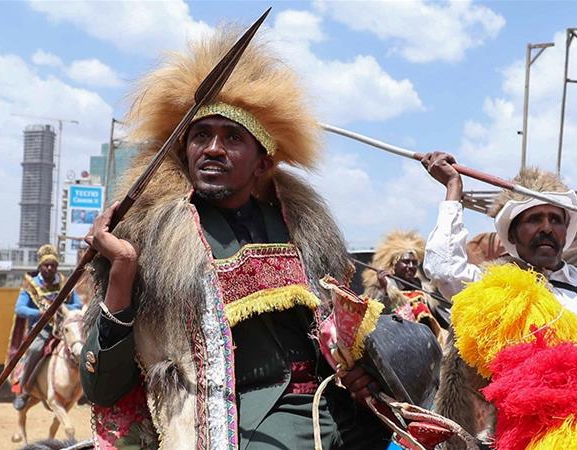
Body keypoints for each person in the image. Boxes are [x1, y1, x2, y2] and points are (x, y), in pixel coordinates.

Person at [79, 31, 390, 449]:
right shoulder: (151, 239)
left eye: (232, 137)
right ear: (183, 150)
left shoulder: (304, 232)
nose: (212, 148)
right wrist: (123, 267)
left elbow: (340, 342)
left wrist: (358, 370)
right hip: (240, 424)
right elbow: (102, 389)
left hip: (336, 413)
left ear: (263, 161)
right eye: (200, 135)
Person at [420, 152, 577, 446]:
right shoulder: (496, 288)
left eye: (555, 219)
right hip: (530, 437)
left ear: (565, 231)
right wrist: (454, 189)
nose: (546, 228)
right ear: (514, 235)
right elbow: (443, 269)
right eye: (534, 219)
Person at [11, 244, 82, 411]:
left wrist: (61, 309)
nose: (50, 268)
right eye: (46, 265)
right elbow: (19, 308)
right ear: (40, 267)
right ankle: (24, 390)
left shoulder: (65, 283)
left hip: (64, 328)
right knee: (35, 350)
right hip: (42, 330)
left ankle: (84, 389)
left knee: (82, 346)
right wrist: (41, 312)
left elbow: (77, 304)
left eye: (53, 265)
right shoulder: (30, 285)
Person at [361, 230, 446, 338]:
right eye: (406, 262)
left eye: (414, 263)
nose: (410, 266)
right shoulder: (380, 287)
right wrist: (384, 290)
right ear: (394, 265)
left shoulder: (424, 288)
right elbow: (375, 317)